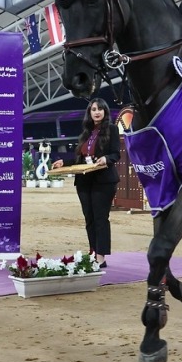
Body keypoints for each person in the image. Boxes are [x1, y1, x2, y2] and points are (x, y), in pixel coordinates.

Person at [51, 98, 121, 269]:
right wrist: (64, 164)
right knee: (89, 219)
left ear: (105, 112)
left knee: (100, 218)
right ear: (89, 113)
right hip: (84, 181)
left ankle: (101, 258)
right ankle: (92, 253)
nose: (97, 112)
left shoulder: (111, 129)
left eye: (100, 109)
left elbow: (116, 154)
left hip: (103, 181)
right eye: (93, 109)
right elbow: (80, 159)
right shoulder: (85, 133)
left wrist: (107, 158)